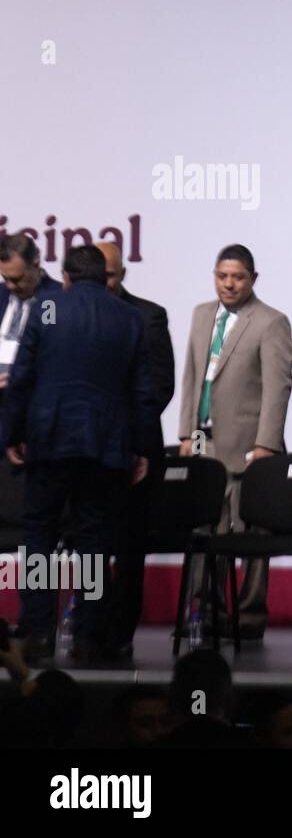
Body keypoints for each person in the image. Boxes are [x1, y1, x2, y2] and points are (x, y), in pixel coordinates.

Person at [1, 245, 152, 663]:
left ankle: (37, 633)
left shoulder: (49, 309)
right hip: (107, 445)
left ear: (65, 276)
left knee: (40, 536)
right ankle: (87, 636)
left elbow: (23, 378)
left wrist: (11, 434)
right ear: (106, 277)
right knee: (95, 543)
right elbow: (141, 391)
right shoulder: (128, 317)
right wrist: (140, 447)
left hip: (49, 440)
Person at [178, 244, 292, 641]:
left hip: (249, 449)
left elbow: (277, 389)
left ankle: (248, 617)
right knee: (208, 533)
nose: (229, 284)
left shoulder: (270, 321)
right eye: (222, 276)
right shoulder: (200, 315)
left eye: (238, 277)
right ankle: (210, 612)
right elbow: (193, 379)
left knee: (251, 536)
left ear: (253, 279)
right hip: (204, 446)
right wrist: (185, 437)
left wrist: (267, 445)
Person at [96, 241, 175, 658]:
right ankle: (93, 620)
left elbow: (161, 386)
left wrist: (120, 435)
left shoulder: (149, 315)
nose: (102, 282)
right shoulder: (67, 313)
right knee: (90, 543)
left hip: (134, 452)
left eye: (109, 274)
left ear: (123, 274)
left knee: (128, 547)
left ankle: (120, 630)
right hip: (87, 454)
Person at [0, 235, 60, 414]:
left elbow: (51, 348)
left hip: (31, 402)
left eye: (17, 279)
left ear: (35, 263)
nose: (10, 285)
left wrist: (18, 379)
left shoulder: (53, 299)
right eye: (5, 277)